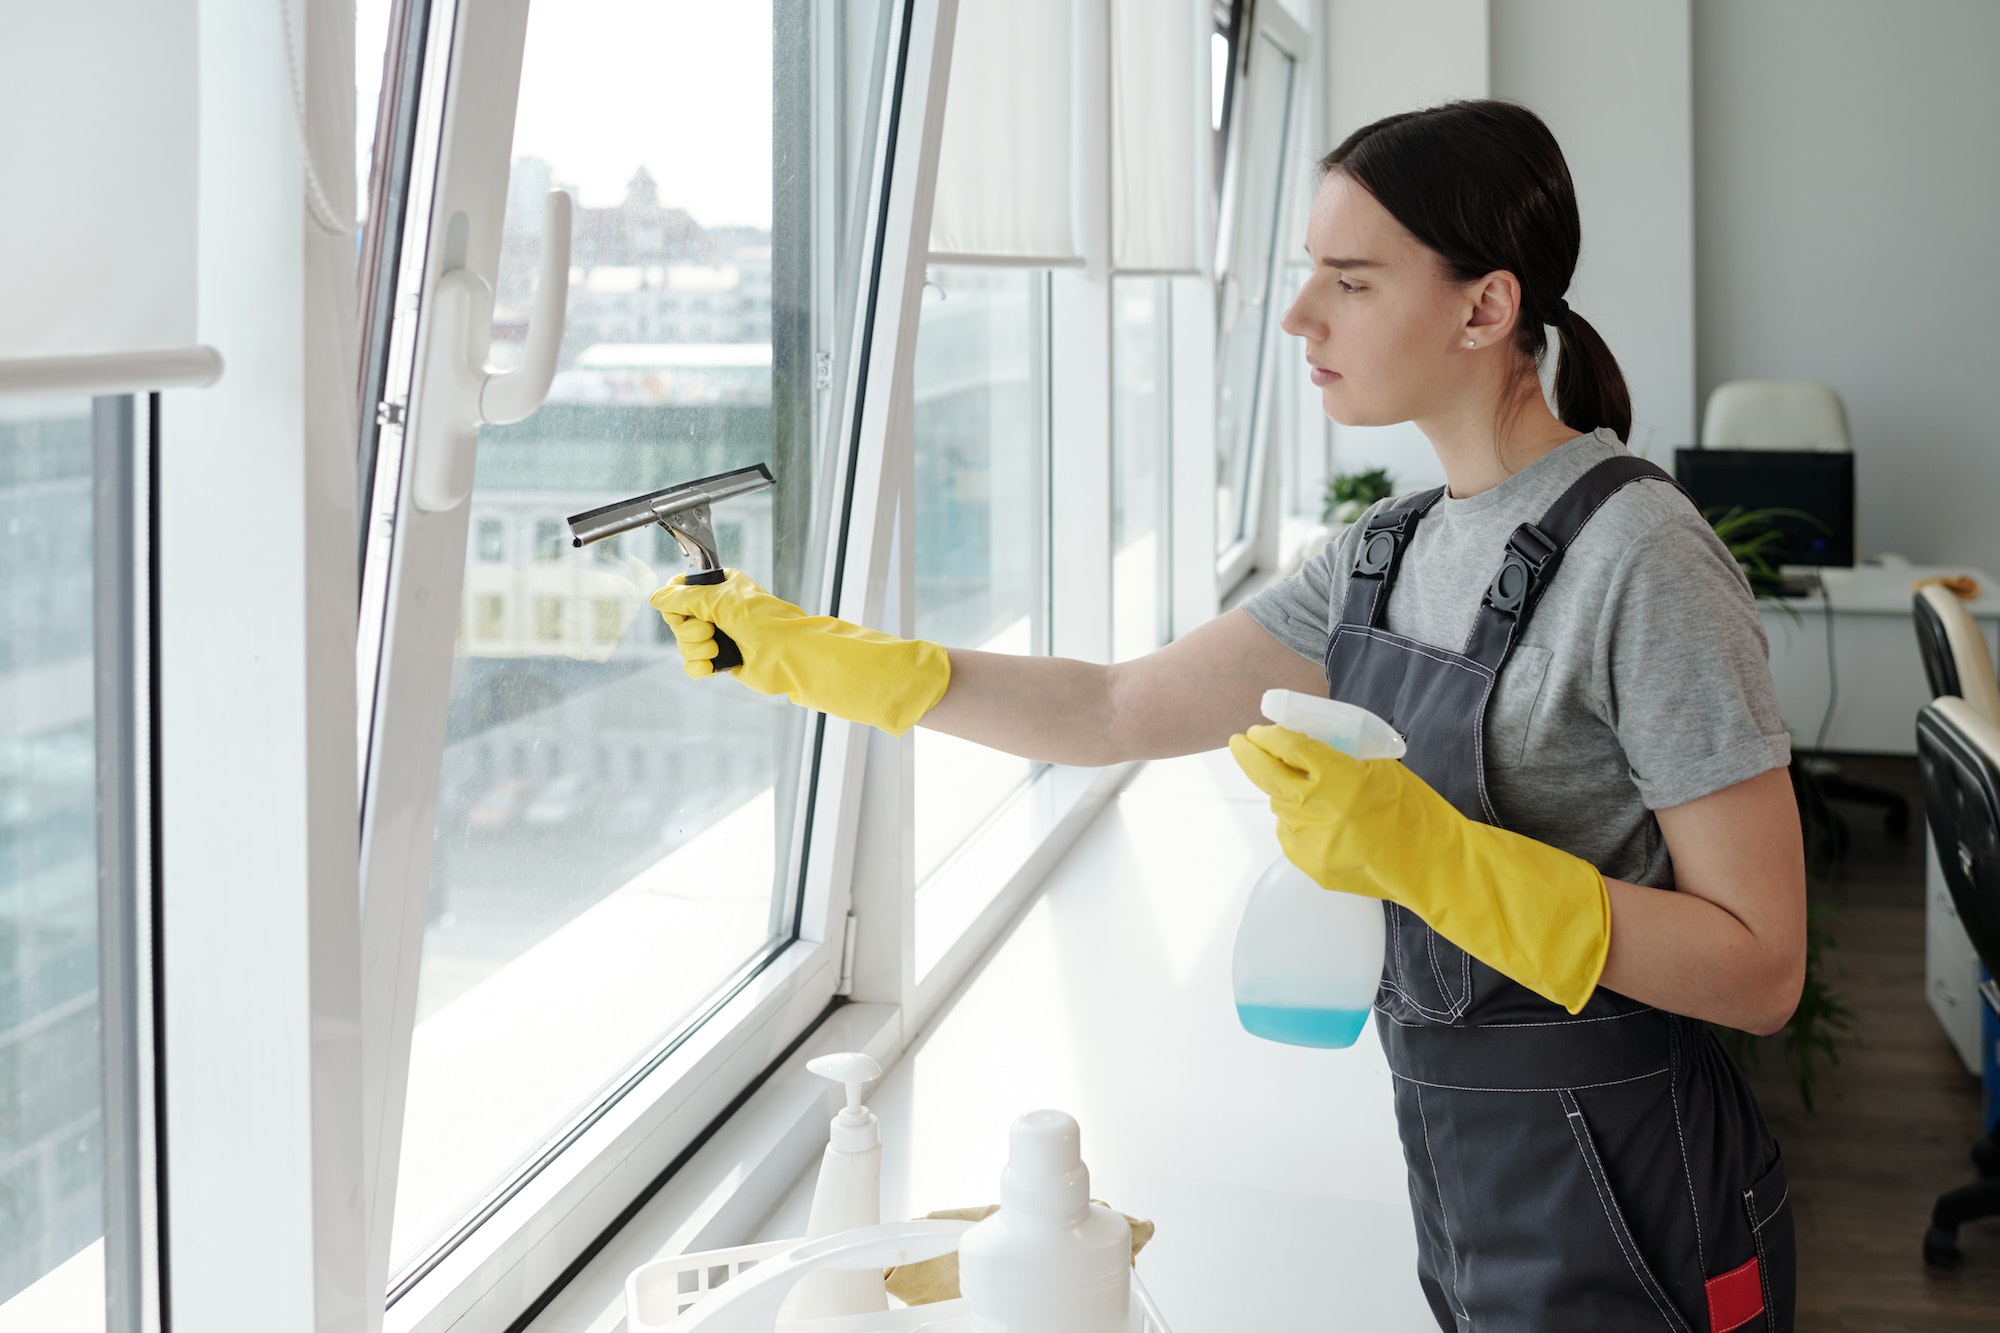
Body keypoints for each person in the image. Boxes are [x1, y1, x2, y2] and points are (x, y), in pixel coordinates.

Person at [652, 99, 1803, 1331]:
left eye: (1350, 281)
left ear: (1484, 307)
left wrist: (1437, 859)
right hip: (1463, 1156)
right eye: (1308, 270)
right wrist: (837, 664)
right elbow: (1112, 707)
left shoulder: (1642, 557)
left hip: (1638, 1183)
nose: (1300, 314)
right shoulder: (1383, 550)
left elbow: (1760, 965)